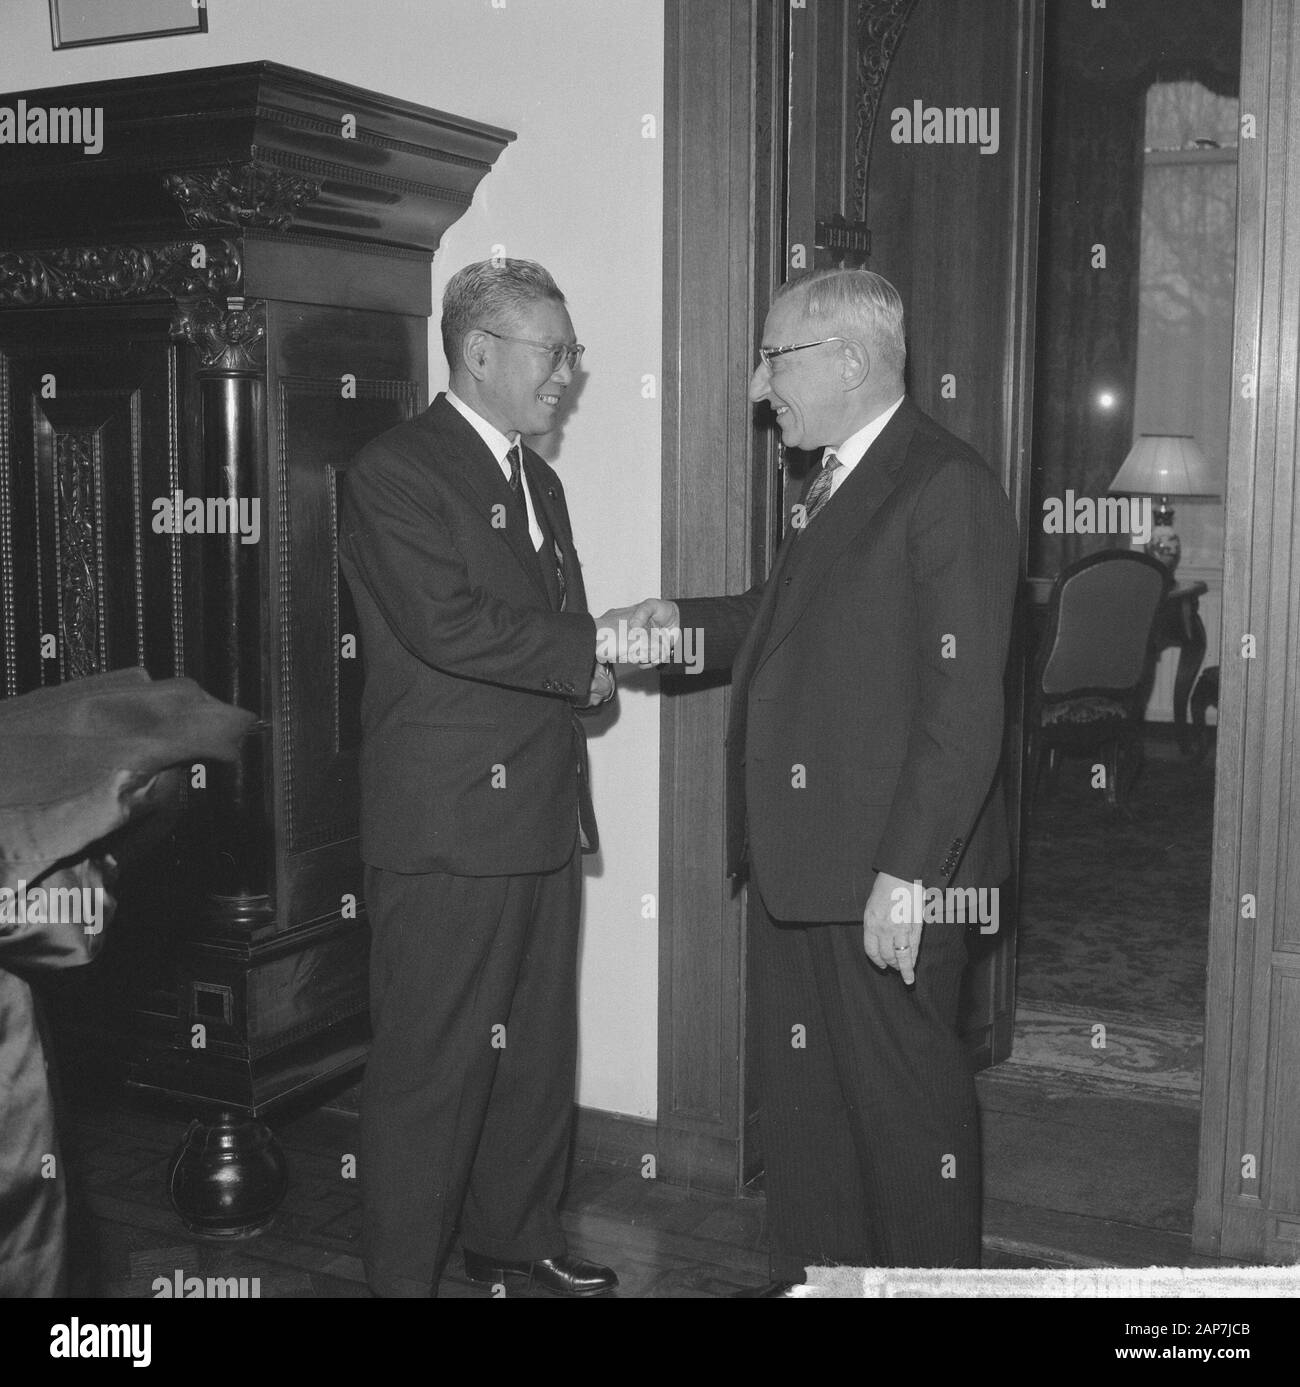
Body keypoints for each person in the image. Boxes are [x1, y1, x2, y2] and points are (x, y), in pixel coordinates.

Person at [620, 268, 1019, 1293]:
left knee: (904, 1126)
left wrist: (907, 874)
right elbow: (779, 618)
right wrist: (682, 624)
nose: (758, 387)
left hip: (887, 882)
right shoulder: (836, 479)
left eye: (773, 358)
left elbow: (963, 707)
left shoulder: (945, 486)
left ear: (848, 361)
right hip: (804, 872)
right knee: (811, 1125)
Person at [337, 258, 619, 1298]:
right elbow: (446, 624)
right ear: (480, 352)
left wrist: (587, 672)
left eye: (569, 351)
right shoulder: (396, 471)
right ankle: (402, 1280)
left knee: (533, 1054)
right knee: (431, 1072)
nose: (568, 373)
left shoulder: (534, 479)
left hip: (540, 816)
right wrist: (582, 652)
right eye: (554, 351)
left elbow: (545, 635)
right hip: (448, 829)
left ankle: (513, 1241)